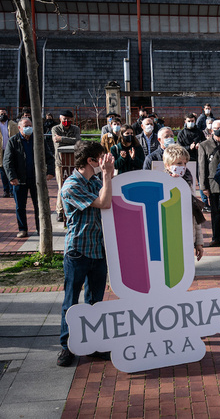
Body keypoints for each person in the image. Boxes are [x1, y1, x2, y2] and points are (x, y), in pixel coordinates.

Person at [56, 141, 114, 367]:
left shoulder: (95, 181)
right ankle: (66, 346)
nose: (105, 162)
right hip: (78, 251)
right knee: (71, 301)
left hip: (98, 251)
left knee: (95, 302)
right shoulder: (71, 186)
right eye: (102, 158)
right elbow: (104, 203)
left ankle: (93, 344)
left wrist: (106, 177)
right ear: (91, 160)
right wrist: (108, 176)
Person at [3, 118, 55, 238]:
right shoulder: (13, 141)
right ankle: (23, 229)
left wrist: (50, 172)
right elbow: (7, 162)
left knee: (39, 205)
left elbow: (50, 157)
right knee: (20, 206)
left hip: (37, 179)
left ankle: (40, 228)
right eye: (26, 126)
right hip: (19, 180)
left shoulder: (38, 140)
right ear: (19, 128)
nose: (28, 128)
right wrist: (12, 177)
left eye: (30, 125)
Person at [163, 144, 204, 260]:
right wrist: (172, 184)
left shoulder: (188, 182)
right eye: (179, 163)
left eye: (185, 163)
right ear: (168, 165)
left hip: (188, 238)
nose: (183, 166)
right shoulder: (161, 183)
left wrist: (199, 243)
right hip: (169, 239)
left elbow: (195, 214)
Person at [198, 119, 220, 247]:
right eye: (217, 128)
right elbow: (202, 168)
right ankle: (216, 238)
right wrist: (203, 186)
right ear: (212, 130)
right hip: (213, 184)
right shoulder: (204, 145)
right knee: (215, 212)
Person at [51, 110, 82, 220]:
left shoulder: (75, 129)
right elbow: (57, 142)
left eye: (68, 119)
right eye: (64, 119)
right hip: (60, 163)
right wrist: (70, 141)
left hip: (74, 162)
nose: (66, 121)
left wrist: (62, 138)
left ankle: (73, 208)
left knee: (74, 186)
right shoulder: (55, 129)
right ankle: (60, 211)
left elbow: (78, 141)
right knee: (61, 186)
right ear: (60, 119)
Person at [0, 108, 19, 198]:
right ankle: (6, 190)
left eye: (4, 113)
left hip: (11, 151)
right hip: (1, 151)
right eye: (1, 114)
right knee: (3, 172)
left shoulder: (13, 124)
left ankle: (12, 190)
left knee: (11, 170)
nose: (2, 115)